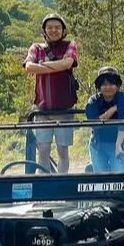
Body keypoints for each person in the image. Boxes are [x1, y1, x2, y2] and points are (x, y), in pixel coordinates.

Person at [24, 13, 78, 173]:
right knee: (43, 152)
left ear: (63, 30)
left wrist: (43, 65)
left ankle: (61, 184)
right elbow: (29, 67)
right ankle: (44, 186)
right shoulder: (36, 47)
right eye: (50, 27)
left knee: (63, 152)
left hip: (65, 110)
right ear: (44, 30)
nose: (54, 30)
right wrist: (58, 65)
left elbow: (68, 63)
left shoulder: (70, 44)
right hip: (43, 110)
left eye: (57, 27)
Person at [85, 67, 124, 173]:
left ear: (117, 86)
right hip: (98, 144)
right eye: (104, 84)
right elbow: (94, 123)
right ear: (99, 86)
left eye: (112, 83)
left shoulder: (123, 98)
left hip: (118, 143)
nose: (108, 87)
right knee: (100, 179)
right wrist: (113, 109)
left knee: (120, 177)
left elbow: (123, 122)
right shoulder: (93, 101)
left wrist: (118, 145)